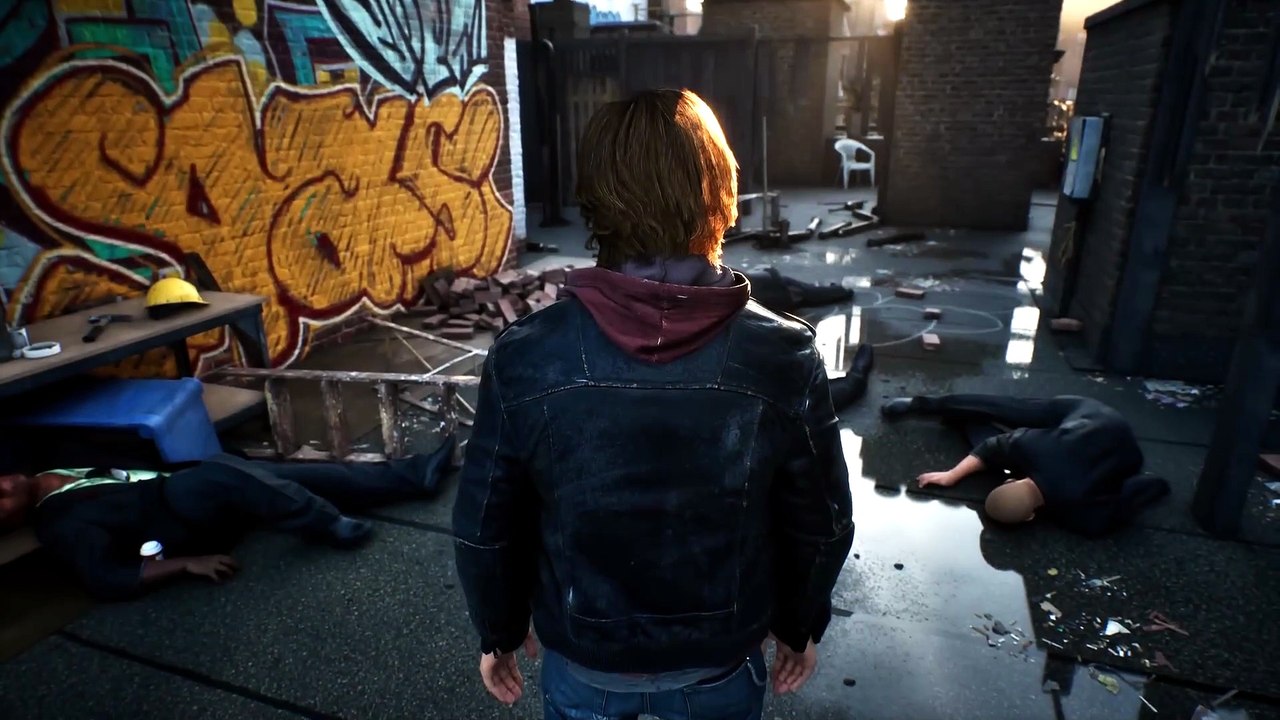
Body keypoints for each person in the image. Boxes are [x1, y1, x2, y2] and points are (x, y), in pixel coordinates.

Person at [453, 88, 853, 720]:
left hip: (584, 661)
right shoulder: (784, 355)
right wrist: (799, 627)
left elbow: (486, 525)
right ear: (718, 189)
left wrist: (498, 632)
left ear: (596, 198)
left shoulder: (526, 356)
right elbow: (821, 522)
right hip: (719, 662)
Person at [0, 436, 456, 600]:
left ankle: (415, 476)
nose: (2, 487)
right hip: (178, 518)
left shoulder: (56, 460)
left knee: (284, 475)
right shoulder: (59, 522)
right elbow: (105, 579)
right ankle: (326, 524)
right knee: (217, 475)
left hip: (188, 486)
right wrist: (186, 564)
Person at [880, 394, 1169, 536]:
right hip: (1094, 425)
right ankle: (941, 410)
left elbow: (1150, 486)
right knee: (999, 426)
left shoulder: (1088, 520)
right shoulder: (1034, 450)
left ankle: (946, 413)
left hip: (1098, 428)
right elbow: (992, 448)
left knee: (999, 427)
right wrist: (951, 475)